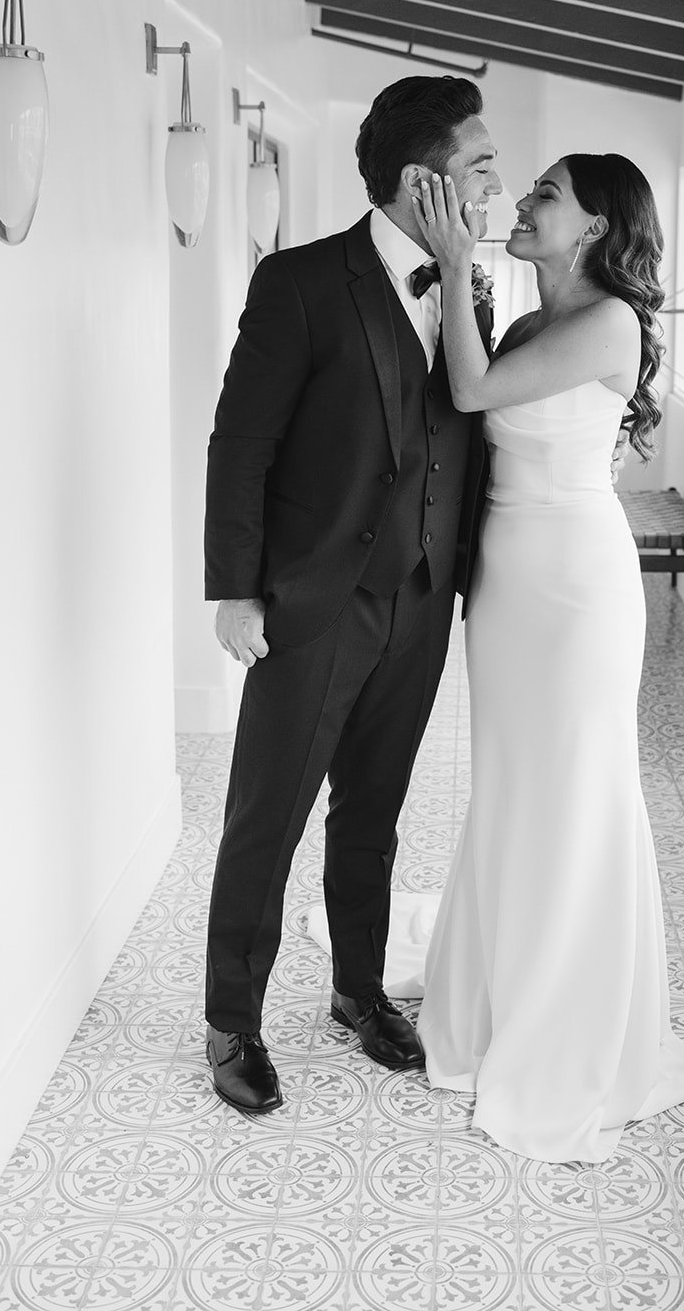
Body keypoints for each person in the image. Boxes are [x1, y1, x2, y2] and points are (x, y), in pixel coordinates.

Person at [410, 153, 684, 1163]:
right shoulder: (530, 321)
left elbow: (470, 390)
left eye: (546, 193)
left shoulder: (607, 324)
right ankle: (502, 985)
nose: (524, 202)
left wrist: (454, 259)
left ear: (591, 228)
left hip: (576, 591)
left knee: (577, 790)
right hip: (504, 588)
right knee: (510, 784)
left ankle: (572, 1017)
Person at [201, 75, 502, 1112]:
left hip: (420, 600)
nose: (493, 182)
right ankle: (230, 1021)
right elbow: (240, 444)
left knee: (372, 812)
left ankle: (357, 988)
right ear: (423, 183)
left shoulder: (475, 286)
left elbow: (465, 433)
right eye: (476, 166)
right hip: (312, 599)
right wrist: (234, 591)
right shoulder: (294, 283)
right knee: (266, 816)